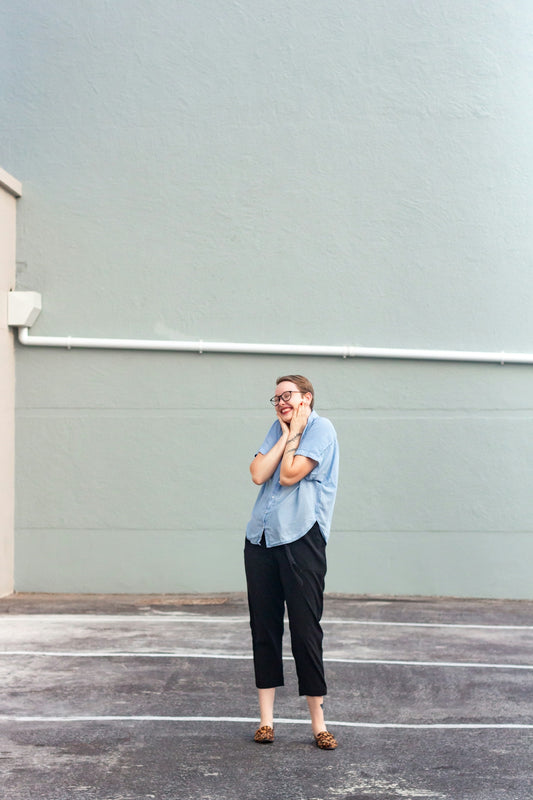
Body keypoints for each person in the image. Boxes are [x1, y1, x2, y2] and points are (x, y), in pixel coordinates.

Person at [244, 374, 339, 750]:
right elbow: (257, 474)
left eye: (288, 396)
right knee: (264, 629)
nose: (281, 402)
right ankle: (266, 721)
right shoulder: (278, 428)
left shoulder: (322, 428)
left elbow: (286, 475)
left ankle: (319, 724)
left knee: (305, 630)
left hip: (301, 539)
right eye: (276, 398)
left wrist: (297, 432)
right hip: (261, 539)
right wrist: (286, 433)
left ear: (307, 398)